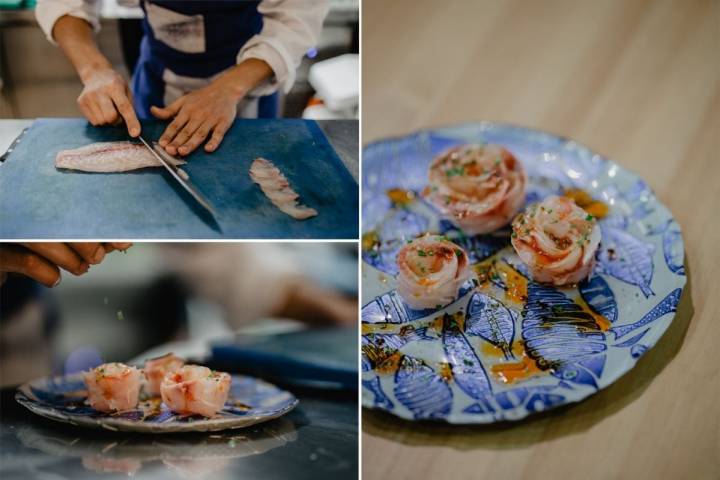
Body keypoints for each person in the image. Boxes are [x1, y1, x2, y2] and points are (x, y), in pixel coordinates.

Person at [35, 0, 328, 156]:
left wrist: (229, 89)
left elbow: (297, 17)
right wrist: (94, 70)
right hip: (158, 79)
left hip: (249, 82)